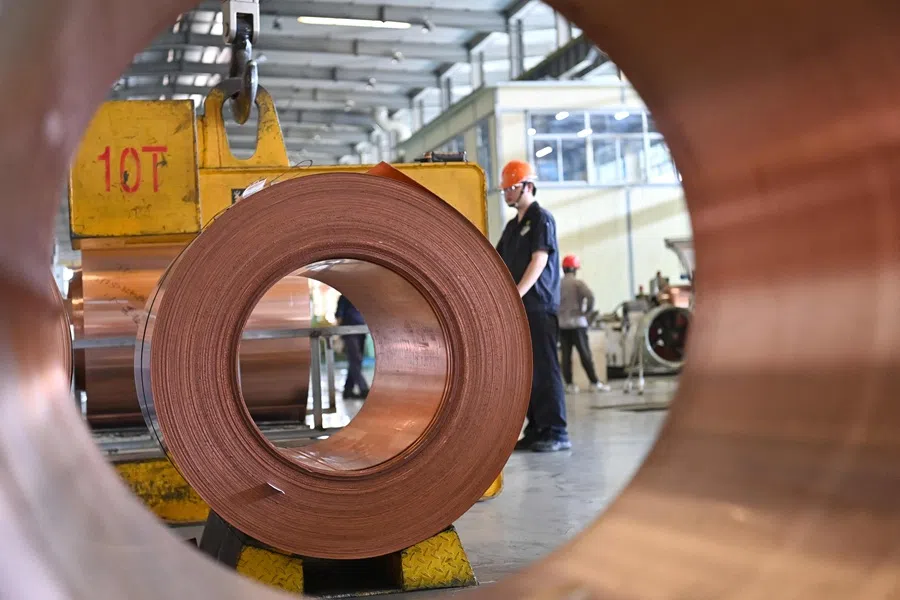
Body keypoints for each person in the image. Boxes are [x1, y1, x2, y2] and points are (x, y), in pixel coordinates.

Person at [496, 160, 570, 453]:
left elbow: (539, 260)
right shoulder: (514, 227)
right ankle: (537, 428)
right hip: (520, 309)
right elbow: (498, 260)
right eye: (504, 190)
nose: (506, 194)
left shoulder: (542, 219)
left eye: (511, 188)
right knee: (528, 371)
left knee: (546, 368)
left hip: (538, 305)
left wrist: (516, 294)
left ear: (527, 186)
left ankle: (556, 430)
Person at [559, 254, 610, 394]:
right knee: (585, 354)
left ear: (563, 269)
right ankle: (594, 382)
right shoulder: (578, 284)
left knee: (566, 356)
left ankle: (569, 385)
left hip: (562, 325)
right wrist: (587, 312)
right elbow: (591, 296)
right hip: (577, 323)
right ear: (575, 269)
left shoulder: (558, 284)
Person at [335, 294, 369, 399]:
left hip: (362, 331)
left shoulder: (363, 297)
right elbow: (339, 316)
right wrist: (338, 334)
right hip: (349, 332)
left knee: (357, 361)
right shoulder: (344, 297)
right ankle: (364, 389)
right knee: (355, 360)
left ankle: (348, 390)